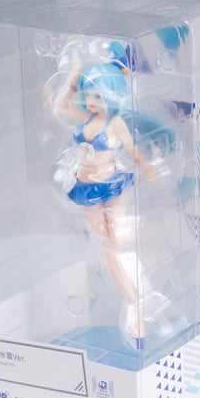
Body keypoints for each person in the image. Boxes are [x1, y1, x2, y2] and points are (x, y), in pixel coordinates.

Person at [52, 44, 166, 349]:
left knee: (117, 239)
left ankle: (141, 293)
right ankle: (134, 303)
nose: (92, 101)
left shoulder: (115, 123)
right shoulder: (82, 117)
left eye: (99, 96)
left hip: (113, 184)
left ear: (113, 96)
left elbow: (132, 148)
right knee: (108, 248)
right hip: (85, 188)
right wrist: (75, 74)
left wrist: (148, 168)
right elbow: (59, 107)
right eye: (89, 94)